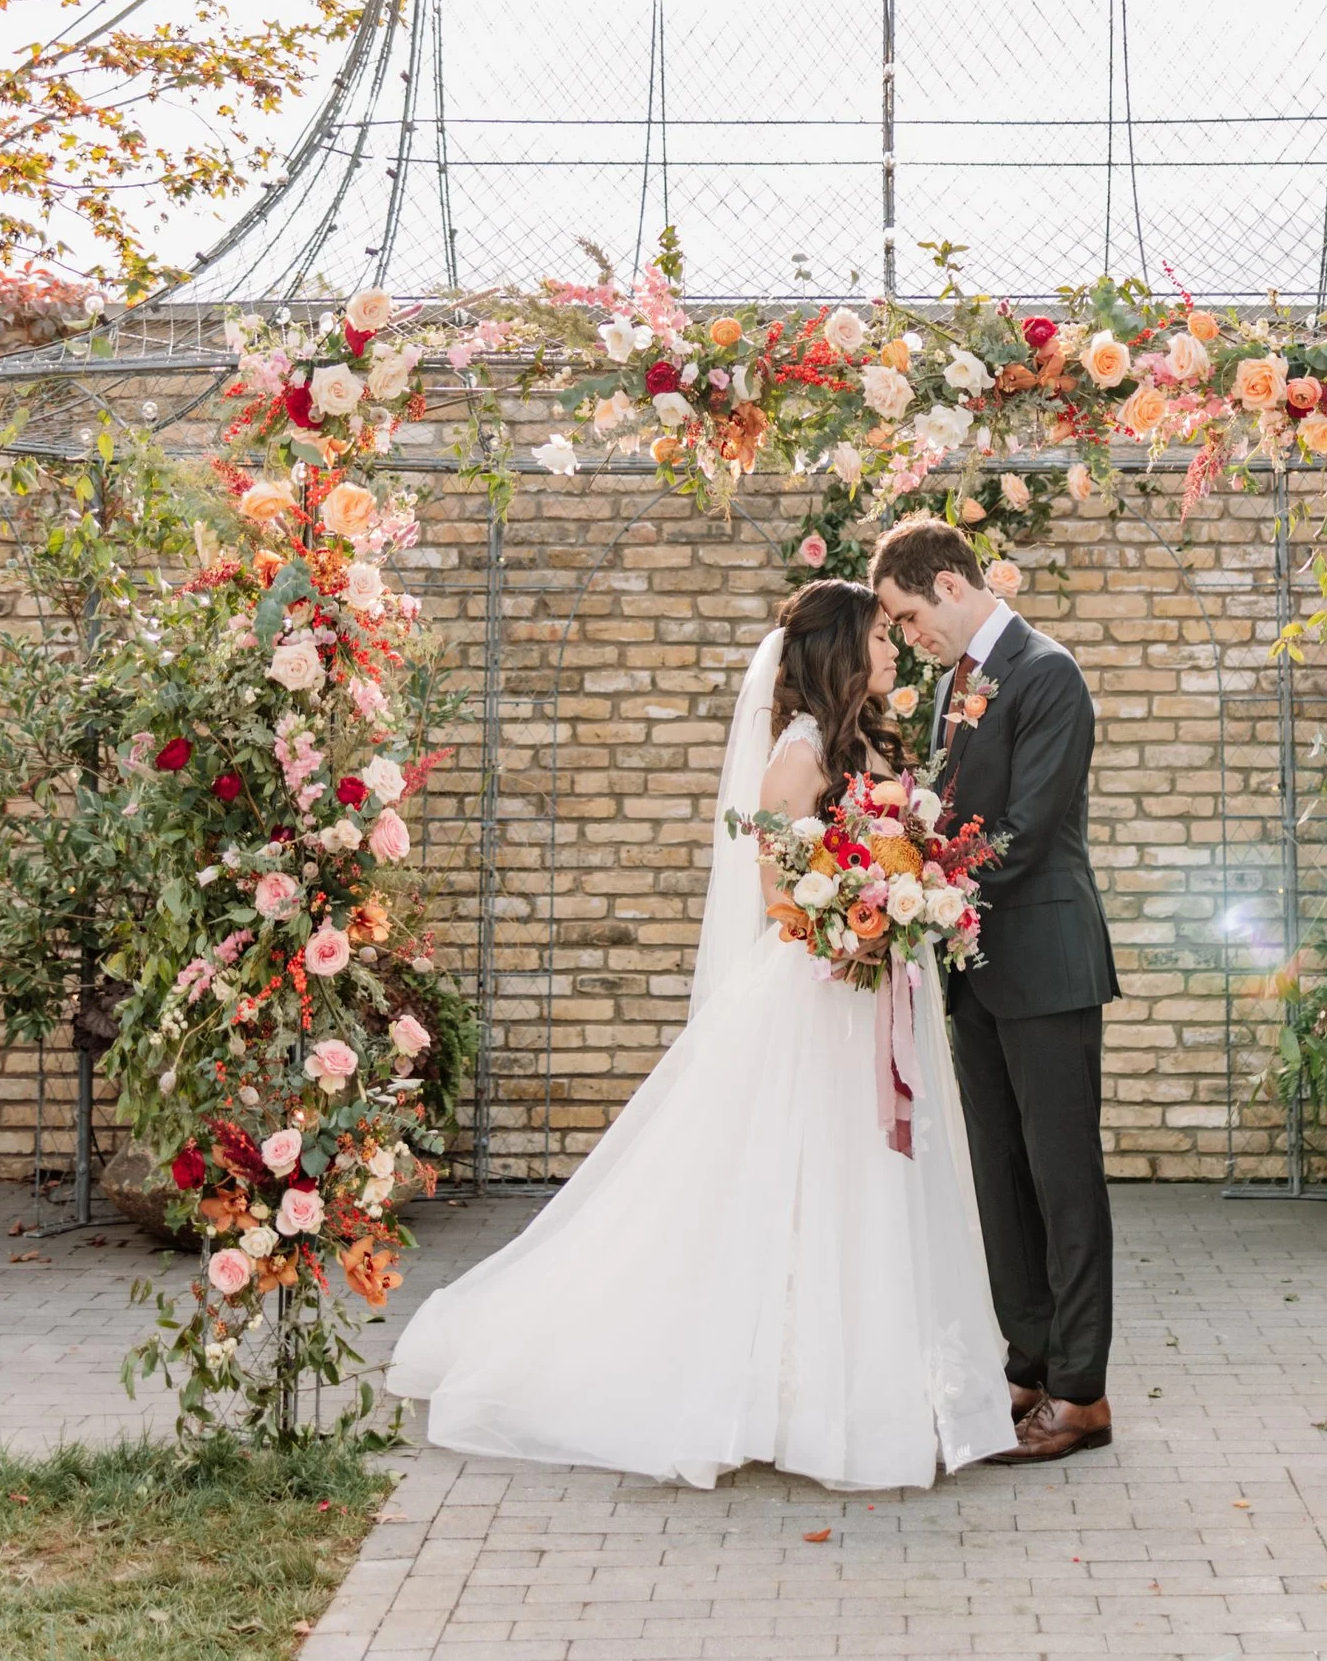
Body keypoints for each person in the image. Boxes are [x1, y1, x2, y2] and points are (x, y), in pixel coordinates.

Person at [386, 576, 1015, 1488]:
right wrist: (854, 916)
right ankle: (784, 1395)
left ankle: (875, 1387)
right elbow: (773, 890)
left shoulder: (875, 742)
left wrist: (913, 900)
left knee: (869, 1182)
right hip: (821, 991)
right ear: (842, 653)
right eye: (881, 636)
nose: (893, 650)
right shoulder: (795, 758)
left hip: (877, 988)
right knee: (804, 1182)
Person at [871, 517, 1119, 1465]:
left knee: (1063, 1181)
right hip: (973, 968)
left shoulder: (1048, 673)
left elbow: (1026, 825)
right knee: (998, 1180)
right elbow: (948, 813)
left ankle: (1083, 1394)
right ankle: (1028, 1365)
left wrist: (928, 887)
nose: (905, 637)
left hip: (1047, 960)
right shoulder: (952, 686)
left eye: (904, 615)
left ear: (946, 583)